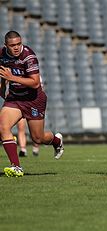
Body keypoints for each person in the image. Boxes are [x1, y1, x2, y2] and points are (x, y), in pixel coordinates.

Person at [0, 31, 64, 177]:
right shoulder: (2, 54)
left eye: (18, 44)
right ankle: (16, 167)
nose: (16, 47)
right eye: (12, 45)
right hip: (15, 98)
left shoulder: (29, 56)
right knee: (3, 127)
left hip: (33, 99)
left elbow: (35, 83)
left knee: (37, 138)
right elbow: (3, 71)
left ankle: (56, 140)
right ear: (6, 46)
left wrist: (12, 77)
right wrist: (3, 87)